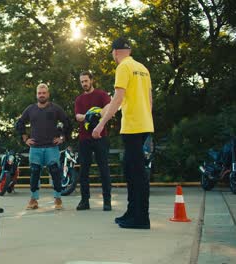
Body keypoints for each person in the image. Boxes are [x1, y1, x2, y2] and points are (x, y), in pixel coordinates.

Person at [92, 37, 154, 229]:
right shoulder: (142, 68)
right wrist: (107, 109)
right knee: (132, 171)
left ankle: (141, 218)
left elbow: (118, 98)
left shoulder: (123, 68)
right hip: (144, 125)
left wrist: (100, 124)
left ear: (115, 52)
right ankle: (131, 212)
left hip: (133, 126)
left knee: (136, 174)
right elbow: (149, 100)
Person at [16, 83, 72, 210]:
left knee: (55, 172)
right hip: (35, 147)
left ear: (48, 94)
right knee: (35, 173)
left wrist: (62, 138)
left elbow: (67, 122)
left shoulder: (55, 109)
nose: (41, 95)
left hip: (52, 147)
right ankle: (33, 199)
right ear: (36, 95)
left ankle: (58, 198)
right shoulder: (30, 109)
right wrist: (25, 138)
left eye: (44, 93)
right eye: (39, 93)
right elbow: (20, 123)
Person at [74, 71, 112, 211]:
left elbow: (108, 108)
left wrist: (97, 114)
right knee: (84, 171)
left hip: (100, 137)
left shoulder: (102, 95)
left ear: (91, 80)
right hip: (84, 139)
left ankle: (107, 201)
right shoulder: (79, 99)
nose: (84, 83)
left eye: (86, 81)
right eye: (82, 81)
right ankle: (85, 201)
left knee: (104, 169)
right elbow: (78, 116)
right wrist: (87, 116)